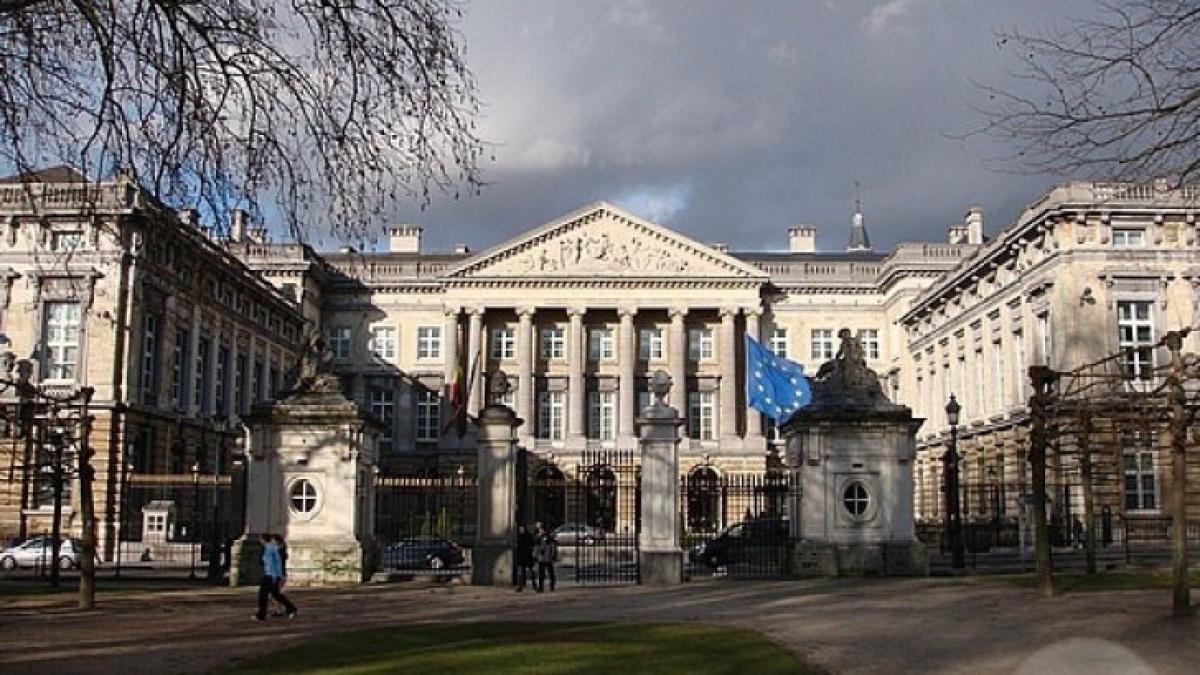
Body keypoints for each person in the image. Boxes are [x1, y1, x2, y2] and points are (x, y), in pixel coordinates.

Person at [254, 533, 296, 621]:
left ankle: (261, 614)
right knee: (276, 595)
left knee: (263, 594)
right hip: (273, 575)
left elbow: (273, 563)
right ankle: (291, 608)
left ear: (263, 540)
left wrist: (274, 576)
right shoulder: (271, 548)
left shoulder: (270, 548)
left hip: (270, 575)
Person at [270, 534, 290, 616]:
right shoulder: (279, 551)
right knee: (276, 594)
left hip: (279, 575)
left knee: (276, 594)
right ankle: (279, 610)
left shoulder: (279, 552)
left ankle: (285, 609)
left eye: (273, 541)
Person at [534, 522, 557, 593]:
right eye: (539, 529)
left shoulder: (548, 536)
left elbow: (552, 546)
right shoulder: (538, 536)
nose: (539, 530)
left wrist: (553, 555)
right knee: (541, 573)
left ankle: (552, 585)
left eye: (540, 529)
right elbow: (536, 544)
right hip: (542, 557)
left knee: (550, 572)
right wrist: (536, 555)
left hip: (548, 557)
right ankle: (541, 588)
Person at [515, 525, 535, 592]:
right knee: (521, 572)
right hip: (521, 556)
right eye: (520, 529)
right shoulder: (519, 537)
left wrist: (531, 553)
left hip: (527, 556)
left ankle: (534, 584)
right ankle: (521, 586)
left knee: (530, 571)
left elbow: (531, 545)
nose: (521, 530)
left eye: (522, 529)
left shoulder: (528, 536)